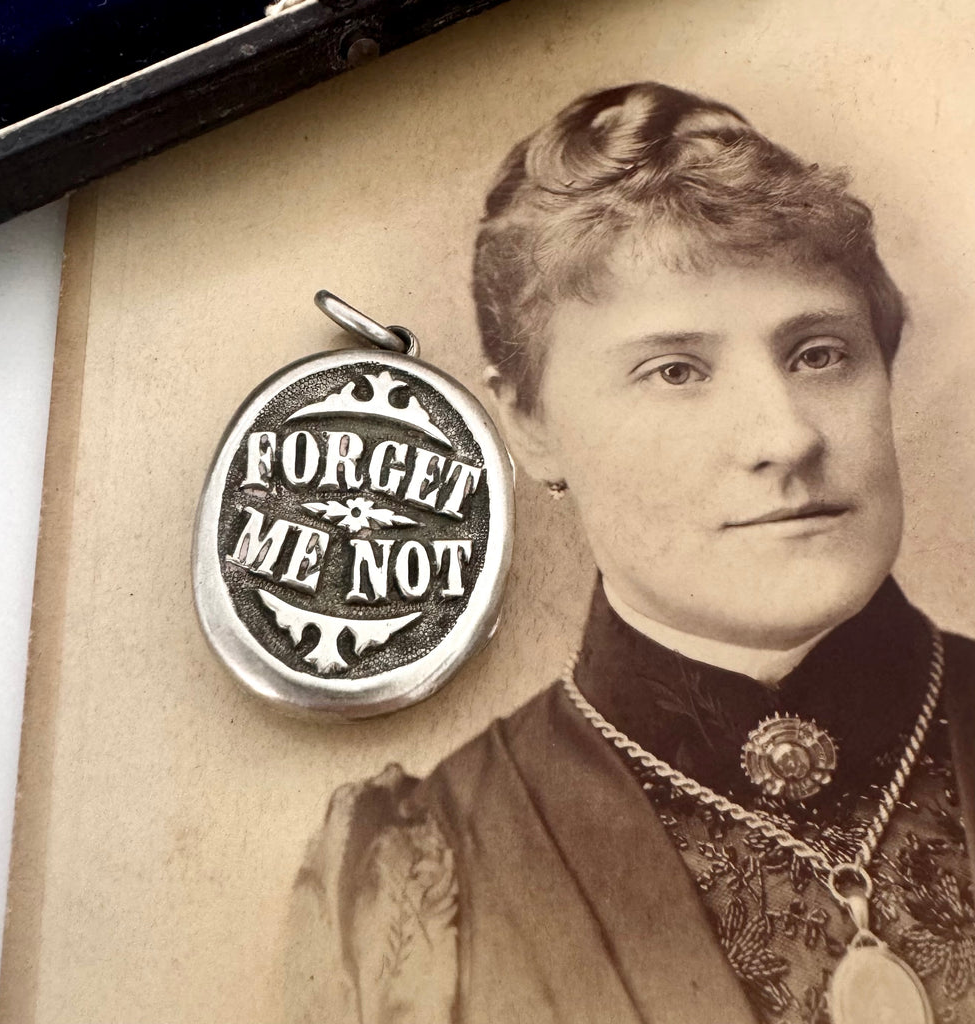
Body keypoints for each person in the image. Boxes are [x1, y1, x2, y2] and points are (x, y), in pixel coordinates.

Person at [286, 82, 975, 1024]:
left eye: (818, 354)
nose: (785, 437)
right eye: (675, 372)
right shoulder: (425, 869)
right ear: (530, 424)